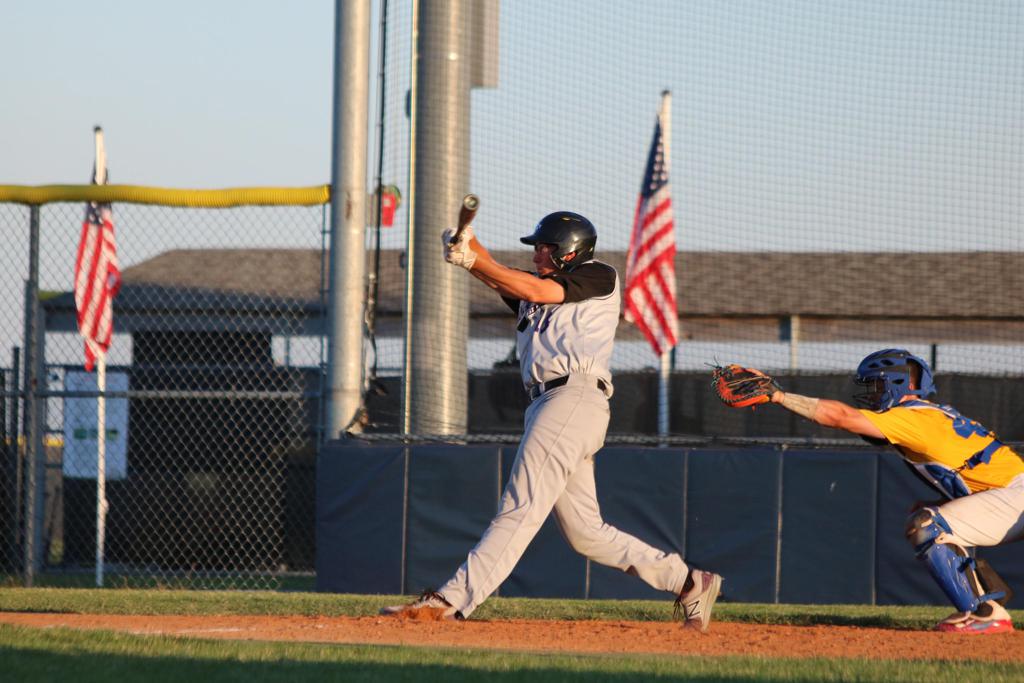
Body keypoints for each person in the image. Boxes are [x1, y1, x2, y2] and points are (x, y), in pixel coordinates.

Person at [381, 211, 723, 631]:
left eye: (546, 247)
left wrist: (474, 260)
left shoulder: (598, 275)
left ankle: (450, 601)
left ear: (572, 251)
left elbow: (529, 286)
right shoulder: (539, 288)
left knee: (520, 507)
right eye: (537, 247)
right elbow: (502, 278)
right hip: (552, 405)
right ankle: (689, 582)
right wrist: (466, 244)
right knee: (586, 532)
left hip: (573, 397)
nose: (539, 253)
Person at [767, 348, 1024, 634]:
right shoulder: (932, 416)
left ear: (897, 384)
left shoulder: (910, 417)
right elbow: (984, 478)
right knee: (937, 520)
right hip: (1014, 494)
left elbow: (840, 416)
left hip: (1015, 496)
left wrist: (778, 396)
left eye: (877, 385)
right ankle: (983, 609)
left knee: (928, 525)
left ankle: (984, 613)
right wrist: (940, 501)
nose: (872, 393)